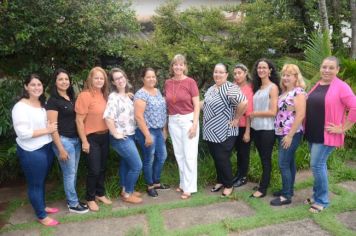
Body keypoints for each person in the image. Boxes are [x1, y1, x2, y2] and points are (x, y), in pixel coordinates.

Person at [304, 56, 356, 213]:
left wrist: (342, 128)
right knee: (319, 166)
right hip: (313, 132)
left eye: (331, 68)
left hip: (327, 134)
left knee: (317, 165)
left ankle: (322, 200)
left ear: (337, 70)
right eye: (324, 67)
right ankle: (316, 194)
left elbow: (354, 107)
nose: (326, 70)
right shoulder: (318, 84)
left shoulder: (341, 87)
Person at [12, 74, 59, 226]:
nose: (37, 87)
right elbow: (23, 133)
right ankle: (41, 215)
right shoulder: (20, 107)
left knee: (42, 180)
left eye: (39, 84)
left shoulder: (41, 104)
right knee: (35, 184)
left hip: (46, 147)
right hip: (31, 150)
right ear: (26, 86)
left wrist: (48, 131)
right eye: (33, 85)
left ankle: (42, 206)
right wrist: (48, 130)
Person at [46, 69, 89, 213]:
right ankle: (72, 204)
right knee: (69, 174)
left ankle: (73, 200)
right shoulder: (53, 101)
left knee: (73, 173)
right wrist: (61, 149)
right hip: (64, 142)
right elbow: (52, 128)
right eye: (60, 79)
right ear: (55, 82)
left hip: (75, 140)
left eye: (66, 79)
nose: (64, 82)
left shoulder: (70, 97)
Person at [203, 63, 247, 197]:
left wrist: (237, 118)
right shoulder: (211, 89)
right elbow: (204, 104)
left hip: (224, 131)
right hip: (210, 131)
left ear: (226, 74)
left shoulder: (230, 88)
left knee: (222, 158)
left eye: (221, 72)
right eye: (216, 72)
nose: (218, 74)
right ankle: (221, 180)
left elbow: (243, 102)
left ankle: (229, 184)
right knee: (216, 158)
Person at [103, 68, 143, 204]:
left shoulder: (127, 96)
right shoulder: (113, 97)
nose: (120, 80)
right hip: (121, 138)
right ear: (113, 82)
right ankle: (128, 194)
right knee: (137, 165)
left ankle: (125, 188)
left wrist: (129, 96)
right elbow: (108, 117)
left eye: (122, 77)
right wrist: (115, 133)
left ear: (125, 78)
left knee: (126, 163)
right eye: (117, 79)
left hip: (130, 135)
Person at [75, 66, 112, 211]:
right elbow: (79, 121)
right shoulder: (84, 96)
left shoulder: (104, 95)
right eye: (96, 77)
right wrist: (84, 141)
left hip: (105, 136)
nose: (99, 80)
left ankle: (100, 193)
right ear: (90, 79)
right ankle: (90, 198)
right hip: (92, 138)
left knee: (102, 168)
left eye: (101, 78)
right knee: (94, 170)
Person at [270, 64, 306, 206]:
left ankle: (286, 196)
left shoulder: (298, 92)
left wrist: (290, 135)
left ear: (296, 77)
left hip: (291, 133)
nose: (285, 78)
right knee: (289, 162)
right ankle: (288, 190)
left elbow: (301, 114)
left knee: (283, 163)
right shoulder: (284, 92)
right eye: (284, 75)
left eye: (289, 75)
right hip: (281, 133)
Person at [164, 54, 200, 199]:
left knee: (189, 155)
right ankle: (183, 183)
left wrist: (195, 124)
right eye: (175, 64)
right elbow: (167, 105)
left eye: (181, 64)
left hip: (188, 120)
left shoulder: (190, 82)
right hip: (173, 121)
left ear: (185, 66)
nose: (178, 67)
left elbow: (197, 104)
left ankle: (189, 188)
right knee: (179, 154)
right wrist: (165, 127)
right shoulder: (167, 83)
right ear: (172, 67)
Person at [134, 68, 169, 198]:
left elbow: (163, 111)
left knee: (162, 156)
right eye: (148, 77)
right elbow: (138, 116)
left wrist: (164, 130)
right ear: (143, 79)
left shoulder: (157, 91)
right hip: (146, 131)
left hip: (158, 130)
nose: (151, 79)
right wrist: (147, 135)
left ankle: (156, 181)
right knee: (149, 158)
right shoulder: (141, 94)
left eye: (153, 76)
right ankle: (149, 185)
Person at [250, 58, 280, 198]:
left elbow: (273, 112)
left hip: (267, 129)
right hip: (256, 128)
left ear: (270, 70)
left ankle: (262, 189)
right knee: (262, 158)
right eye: (259, 67)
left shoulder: (273, 87)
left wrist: (254, 114)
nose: (261, 70)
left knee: (265, 158)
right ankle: (264, 182)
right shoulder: (258, 88)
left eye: (264, 67)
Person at [232, 63, 254, 188]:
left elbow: (249, 112)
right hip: (232, 126)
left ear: (245, 73)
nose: (237, 76)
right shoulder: (232, 86)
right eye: (235, 74)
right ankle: (238, 174)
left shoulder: (249, 89)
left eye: (239, 73)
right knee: (237, 152)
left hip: (244, 126)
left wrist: (247, 131)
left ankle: (243, 177)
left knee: (243, 153)